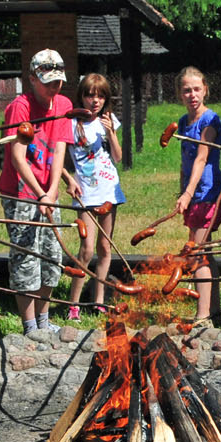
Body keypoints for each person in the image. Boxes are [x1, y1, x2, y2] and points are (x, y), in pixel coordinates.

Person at [0, 49, 75, 341]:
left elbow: (59, 151)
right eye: (48, 82)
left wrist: (52, 191)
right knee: (26, 257)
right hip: (20, 192)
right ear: (32, 79)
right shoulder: (20, 107)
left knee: (52, 256)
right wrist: (40, 193)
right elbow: (18, 157)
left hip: (47, 192)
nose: (54, 87)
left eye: (58, 81)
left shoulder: (64, 105)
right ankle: (30, 326)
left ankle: (44, 320)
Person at [65, 73, 125, 319]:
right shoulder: (71, 124)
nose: (95, 100)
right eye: (90, 95)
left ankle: (98, 300)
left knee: (105, 247)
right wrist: (68, 179)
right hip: (86, 193)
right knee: (87, 249)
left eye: (100, 96)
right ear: (81, 96)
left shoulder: (108, 120)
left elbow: (118, 157)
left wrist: (111, 134)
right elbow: (56, 158)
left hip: (109, 189)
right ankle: (74, 304)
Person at [173, 66, 221, 326]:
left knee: (197, 254)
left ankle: (202, 316)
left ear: (205, 89)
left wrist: (189, 192)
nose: (192, 95)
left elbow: (202, 158)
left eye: (196, 89)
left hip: (208, 193)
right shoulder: (184, 122)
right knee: (205, 253)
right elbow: (186, 160)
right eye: (186, 90)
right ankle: (215, 311)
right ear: (180, 94)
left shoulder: (210, 120)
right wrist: (182, 189)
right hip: (193, 194)